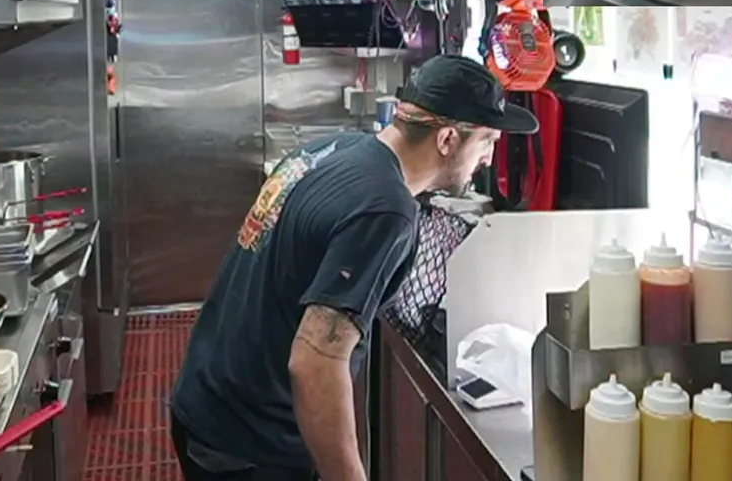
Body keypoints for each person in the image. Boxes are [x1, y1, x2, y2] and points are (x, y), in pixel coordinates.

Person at [169, 55, 539, 481]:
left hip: (207, 395)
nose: (489, 159)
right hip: (250, 443)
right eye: (487, 141)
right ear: (447, 139)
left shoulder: (333, 149)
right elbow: (316, 363)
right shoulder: (386, 210)